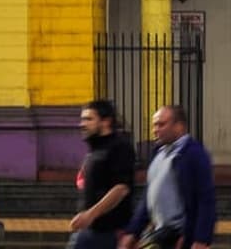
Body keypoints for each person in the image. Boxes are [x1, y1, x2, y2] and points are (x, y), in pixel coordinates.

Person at [121, 105, 214, 249]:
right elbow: (148, 198)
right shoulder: (158, 153)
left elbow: (205, 199)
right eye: (154, 125)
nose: (155, 130)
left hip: (180, 237)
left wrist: (201, 238)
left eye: (161, 124)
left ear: (179, 126)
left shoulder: (194, 154)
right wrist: (133, 232)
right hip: (160, 234)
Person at [69, 99, 136, 249]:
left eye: (89, 119)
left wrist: (90, 215)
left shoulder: (119, 147)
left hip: (108, 233)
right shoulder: (95, 148)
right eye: (82, 119)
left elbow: (121, 188)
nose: (82, 124)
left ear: (106, 122)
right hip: (88, 231)